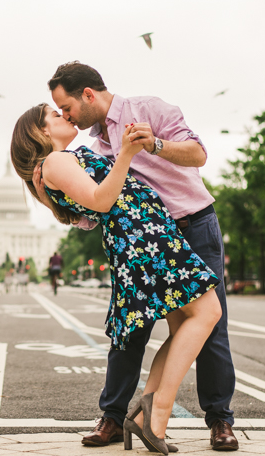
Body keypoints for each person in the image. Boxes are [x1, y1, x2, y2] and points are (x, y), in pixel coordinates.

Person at [33, 62, 238, 451]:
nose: (66, 116)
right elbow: (99, 208)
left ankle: (219, 420)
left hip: (192, 225)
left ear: (88, 95)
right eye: (58, 113)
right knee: (132, 329)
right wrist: (58, 205)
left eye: (67, 108)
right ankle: (117, 417)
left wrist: (153, 144)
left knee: (208, 328)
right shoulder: (94, 150)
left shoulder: (150, 110)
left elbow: (198, 155)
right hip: (147, 241)